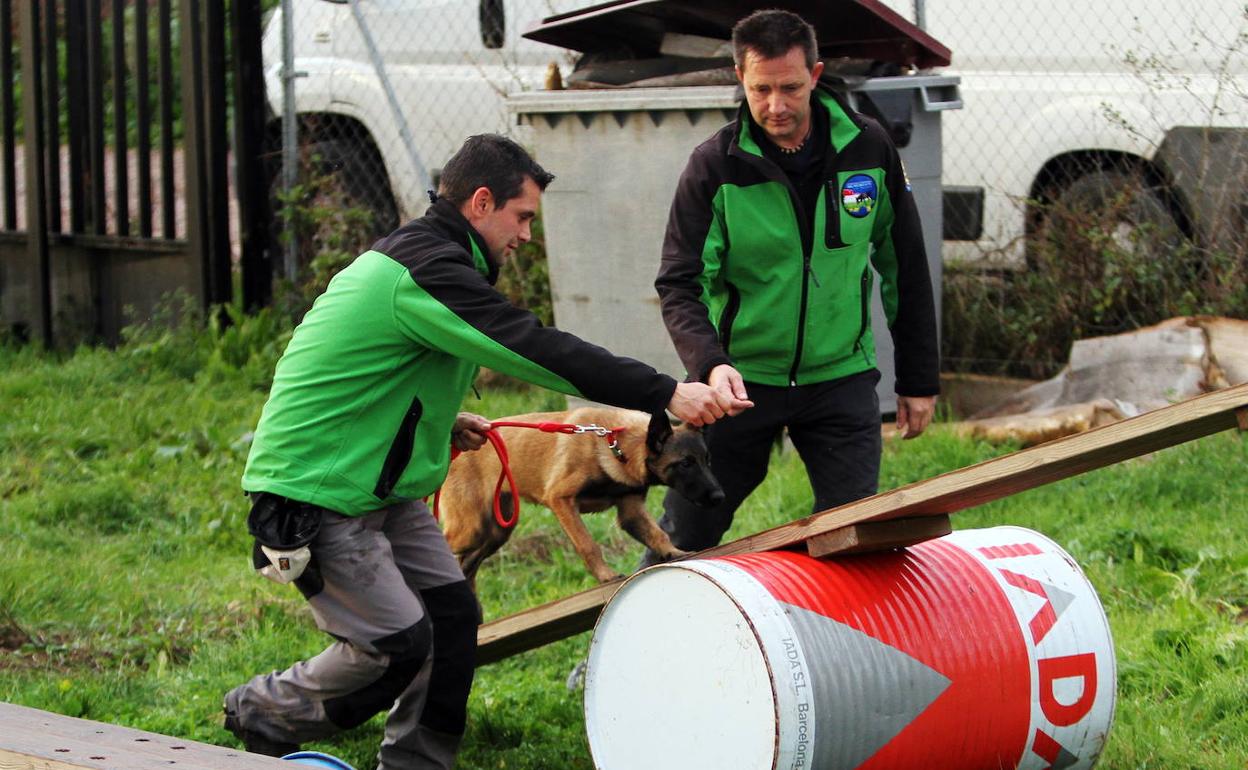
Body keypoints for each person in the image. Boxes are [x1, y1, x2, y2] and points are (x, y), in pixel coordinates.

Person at [223, 134, 751, 770]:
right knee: (394, 646)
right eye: (522, 216)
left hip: (378, 487)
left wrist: (442, 422)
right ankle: (264, 710)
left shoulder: (438, 263)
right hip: (315, 495)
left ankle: (416, 764)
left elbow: (379, 374)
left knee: (451, 622)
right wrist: (666, 392)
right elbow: (534, 347)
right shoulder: (426, 270)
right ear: (480, 202)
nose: (527, 234)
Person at [642, 9, 939, 565]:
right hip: (739, 382)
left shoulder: (868, 149)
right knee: (684, 537)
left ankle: (837, 649)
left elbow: (905, 265)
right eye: (761, 89)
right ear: (739, 78)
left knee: (857, 538)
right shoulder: (713, 167)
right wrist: (710, 363)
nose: (776, 105)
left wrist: (919, 378)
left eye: (790, 88)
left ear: (816, 75)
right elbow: (680, 282)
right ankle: (616, 648)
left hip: (840, 377)